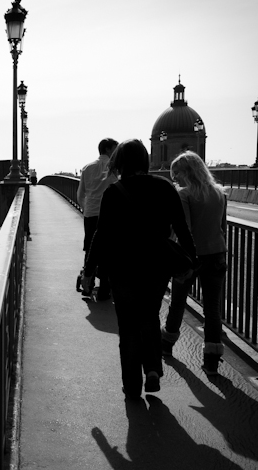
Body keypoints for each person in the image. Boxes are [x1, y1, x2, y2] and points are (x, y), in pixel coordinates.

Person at [82, 139, 196, 399]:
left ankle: (132, 385)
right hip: (156, 264)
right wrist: (191, 261)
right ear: (144, 161)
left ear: (120, 163)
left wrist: (89, 271)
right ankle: (153, 369)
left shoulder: (114, 192)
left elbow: (101, 234)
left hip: (122, 266)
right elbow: (182, 228)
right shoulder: (165, 187)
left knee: (128, 324)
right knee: (149, 314)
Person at [161, 151, 227, 375]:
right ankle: (212, 360)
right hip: (217, 254)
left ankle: (167, 344)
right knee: (212, 309)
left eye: (177, 173)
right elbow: (222, 227)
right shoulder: (219, 193)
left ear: (188, 172)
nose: (174, 179)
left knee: (178, 302)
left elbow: (184, 230)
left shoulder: (184, 194)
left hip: (191, 257)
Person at [77, 138, 119, 300]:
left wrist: (86, 208)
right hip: (109, 214)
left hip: (91, 214)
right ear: (108, 150)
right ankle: (104, 289)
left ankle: (88, 283)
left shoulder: (87, 168)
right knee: (108, 249)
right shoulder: (114, 168)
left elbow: (81, 193)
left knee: (90, 247)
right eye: (115, 149)